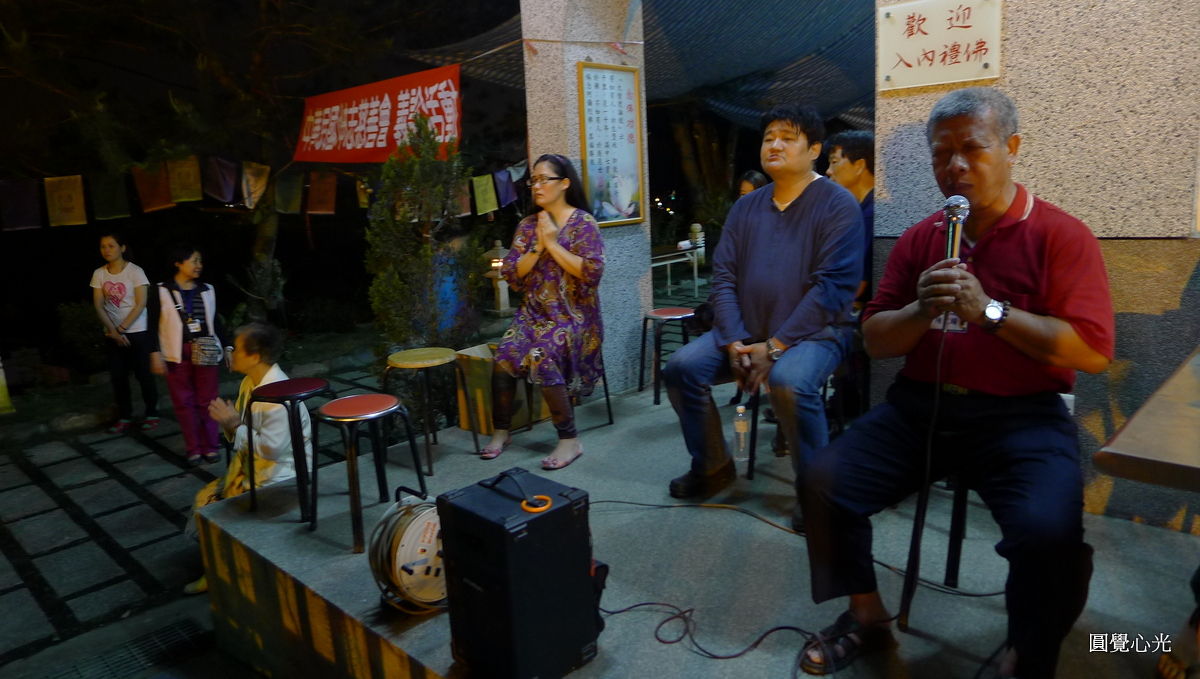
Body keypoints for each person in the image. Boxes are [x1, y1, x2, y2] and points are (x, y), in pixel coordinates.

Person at [799, 88, 1114, 679]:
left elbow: (1093, 352)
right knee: (823, 480)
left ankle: (1029, 654)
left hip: (1021, 416)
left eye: (973, 148)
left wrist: (990, 311)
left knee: (1050, 534)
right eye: (941, 154)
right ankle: (867, 616)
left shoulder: (1060, 235)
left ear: (1012, 147)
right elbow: (876, 339)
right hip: (921, 408)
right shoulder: (922, 238)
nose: (956, 166)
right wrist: (921, 310)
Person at [660, 104, 864, 509]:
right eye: (769, 137)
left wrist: (775, 347)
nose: (775, 145)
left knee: (789, 381)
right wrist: (734, 340)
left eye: (788, 138)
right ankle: (713, 465)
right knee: (682, 368)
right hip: (748, 331)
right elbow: (723, 277)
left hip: (815, 335)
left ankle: (816, 494)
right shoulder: (746, 207)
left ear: (814, 150)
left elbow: (832, 289)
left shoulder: (837, 204)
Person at [481, 153, 605, 470]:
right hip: (533, 314)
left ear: (564, 184)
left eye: (543, 179)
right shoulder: (528, 226)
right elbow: (513, 273)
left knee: (541, 354)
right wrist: (538, 245)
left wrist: (553, 244)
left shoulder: (583, 224)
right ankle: (501, 431)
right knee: (504, 356)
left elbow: (591, 272)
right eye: (532, 180)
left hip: (574, 316)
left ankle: (569, 440)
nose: (536, 186)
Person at [184, 322, 312, 594]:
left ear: (255, 357)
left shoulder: (278, 394)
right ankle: (216, 567)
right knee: (203, 500)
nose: (230, 352)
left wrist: (234, 425)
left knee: (214, 509)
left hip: (279, 478)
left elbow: (271, 450)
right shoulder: (249, 383)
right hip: (255, 469)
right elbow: (242, 429)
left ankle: (223, 572)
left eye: (236, 349)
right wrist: (231, 424)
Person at [151, 244, 231, 467]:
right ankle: (193, 449)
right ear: (178, 263)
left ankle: (211, 446)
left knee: (208, 400)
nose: (199, 265)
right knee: (183, 403)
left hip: (205, 348)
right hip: (175, 352)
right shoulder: (161, 290)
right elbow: (151, 325)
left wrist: (227, 347)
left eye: (200, 261)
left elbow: (215, 321)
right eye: (194, 261)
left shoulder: (207, 289)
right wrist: (154, 353)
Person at [90, 233, 159, 433]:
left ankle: (152, 413)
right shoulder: (99, 273)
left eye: (111, 246)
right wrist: (113, 331)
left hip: (137, 330)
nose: (106, 250)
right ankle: (125, 416)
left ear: (122, 248)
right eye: (103, 246)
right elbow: (98, 305)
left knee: (143, 374)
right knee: (118, 377)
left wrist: (121, 329)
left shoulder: (135, 271)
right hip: (112, 334)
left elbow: (141, 303)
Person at [824, 130, 875, 308]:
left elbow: (853, 287)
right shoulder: (860, 210)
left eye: (834, 162)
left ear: (859, 165)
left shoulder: (870, 216)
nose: (828, 171)